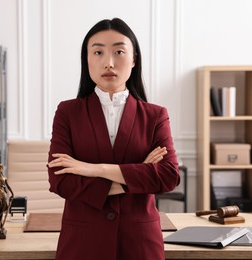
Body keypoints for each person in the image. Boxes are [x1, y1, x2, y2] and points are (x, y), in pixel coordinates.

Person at [47, 18, 180, 260]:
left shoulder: (155, 115)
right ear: (86, 60)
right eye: (98, 52)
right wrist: (139, 175)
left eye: (119, 51)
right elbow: (61, 181)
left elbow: (169, 176)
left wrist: (91, 169)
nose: (108, 62)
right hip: (83, 244)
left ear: (134, 59)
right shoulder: (67, 113)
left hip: (139, 244)